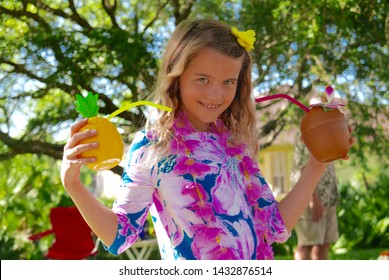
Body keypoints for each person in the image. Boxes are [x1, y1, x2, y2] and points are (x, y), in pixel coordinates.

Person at [60, 18, 354, 260]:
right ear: (176, 75)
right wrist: (73, 184)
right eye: (203, 79)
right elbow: (120, 235)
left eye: (229, 82)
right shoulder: (153, 144)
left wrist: (316, 164)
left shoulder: (235, 144)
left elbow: (274, 226)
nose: (216, 95)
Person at [293, 141, 340, 260]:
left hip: (328, 198)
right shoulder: (306, 134)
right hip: (311, 198)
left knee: (324, 243)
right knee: (307, 244)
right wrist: (313, 199)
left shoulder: (330, 134)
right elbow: (303, 168)